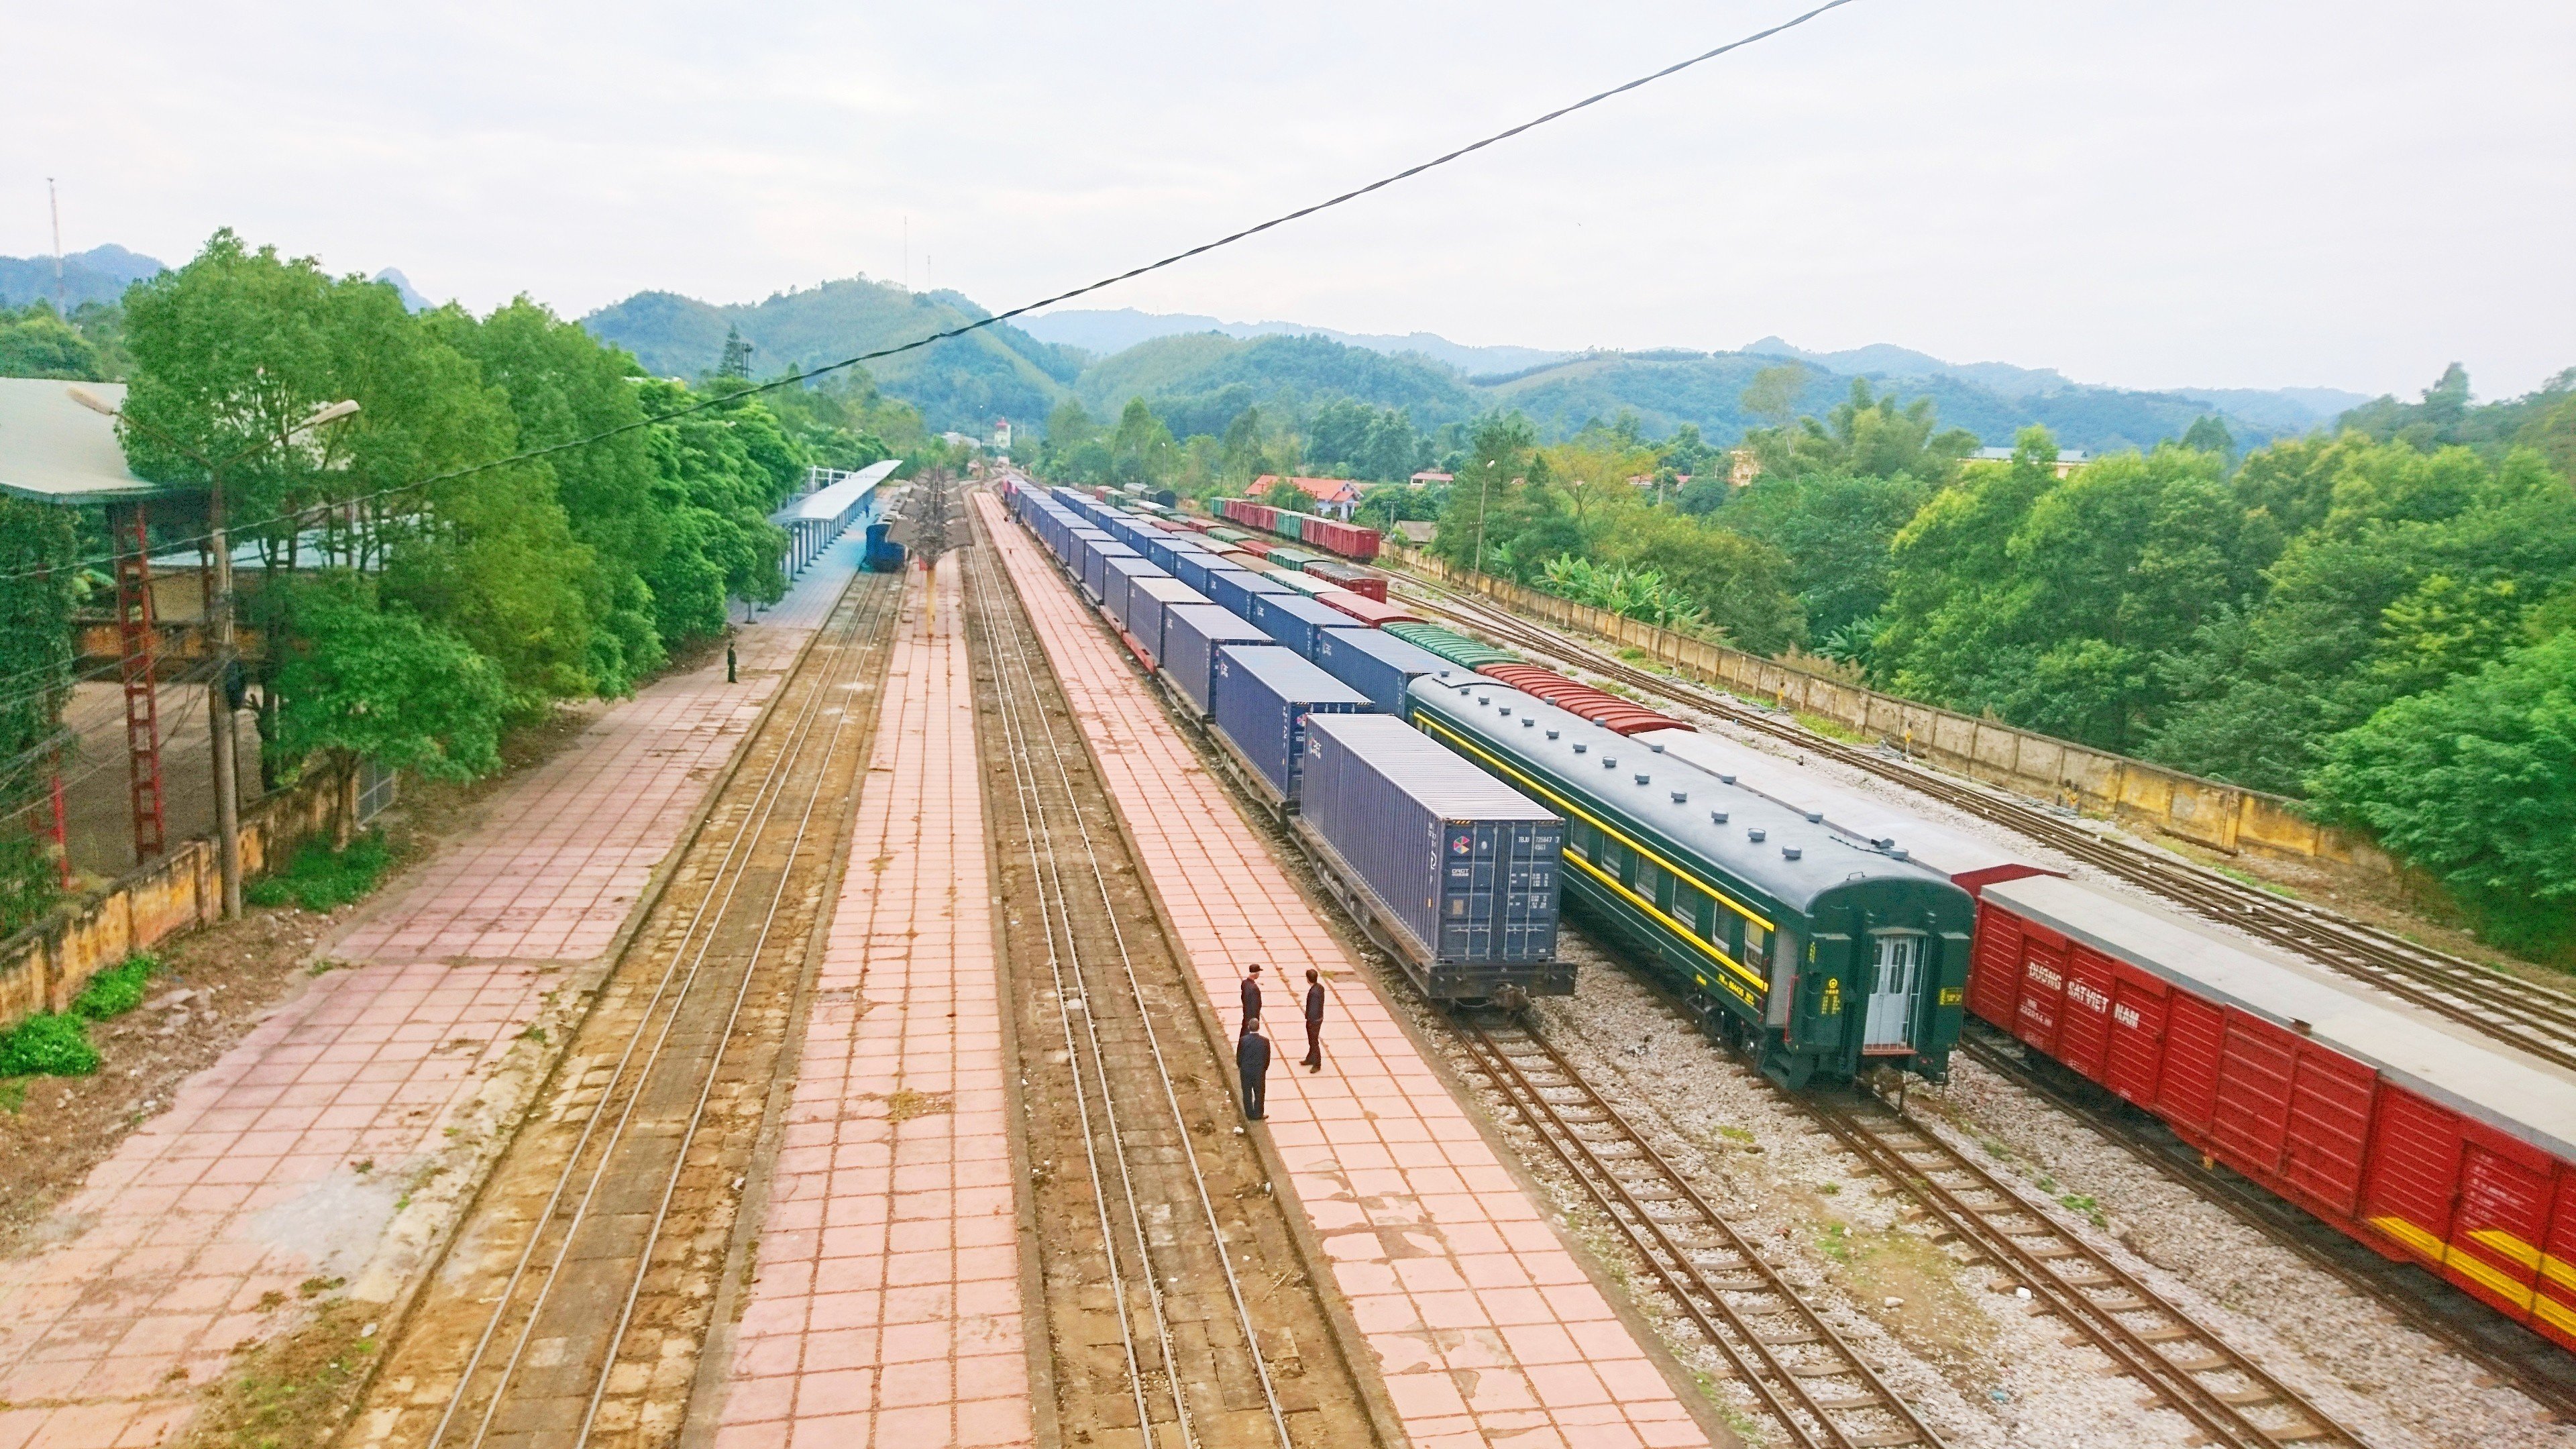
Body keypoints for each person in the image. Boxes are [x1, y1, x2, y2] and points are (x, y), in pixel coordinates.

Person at [1237, 1019, 1271, 1120]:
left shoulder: (1243, 1040)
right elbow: (1267, 1057)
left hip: (1246, 1070)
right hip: (1259, 1071)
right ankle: (1258, 1113)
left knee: (1247, 1093)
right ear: (1259, 1028)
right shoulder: (1265, 1041)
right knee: (1259, 1093)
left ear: (1248, 1027)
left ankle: (1249, 1114)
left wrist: (1241, 1066)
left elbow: (1239, 1056)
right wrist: (1264, 1068)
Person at [1301, 968, 1326, 1071]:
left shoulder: (1314, 993)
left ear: (1308, 979)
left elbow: (1313, 1009)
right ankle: (1310, 1058)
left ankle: (1317, 1064)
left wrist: (1310, 1021)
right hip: (1318, 1018)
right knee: (1312, 1041)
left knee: (1314, 1041)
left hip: (1314, 1021)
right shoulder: (1320, 987)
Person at [1240, 963, 1264, 1034]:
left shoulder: (1245, 983)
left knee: (1244, 1033)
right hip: (1251, 1016)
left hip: (1246, 1013)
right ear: (1256, 974)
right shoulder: (1254, 988)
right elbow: (1255, 1006)